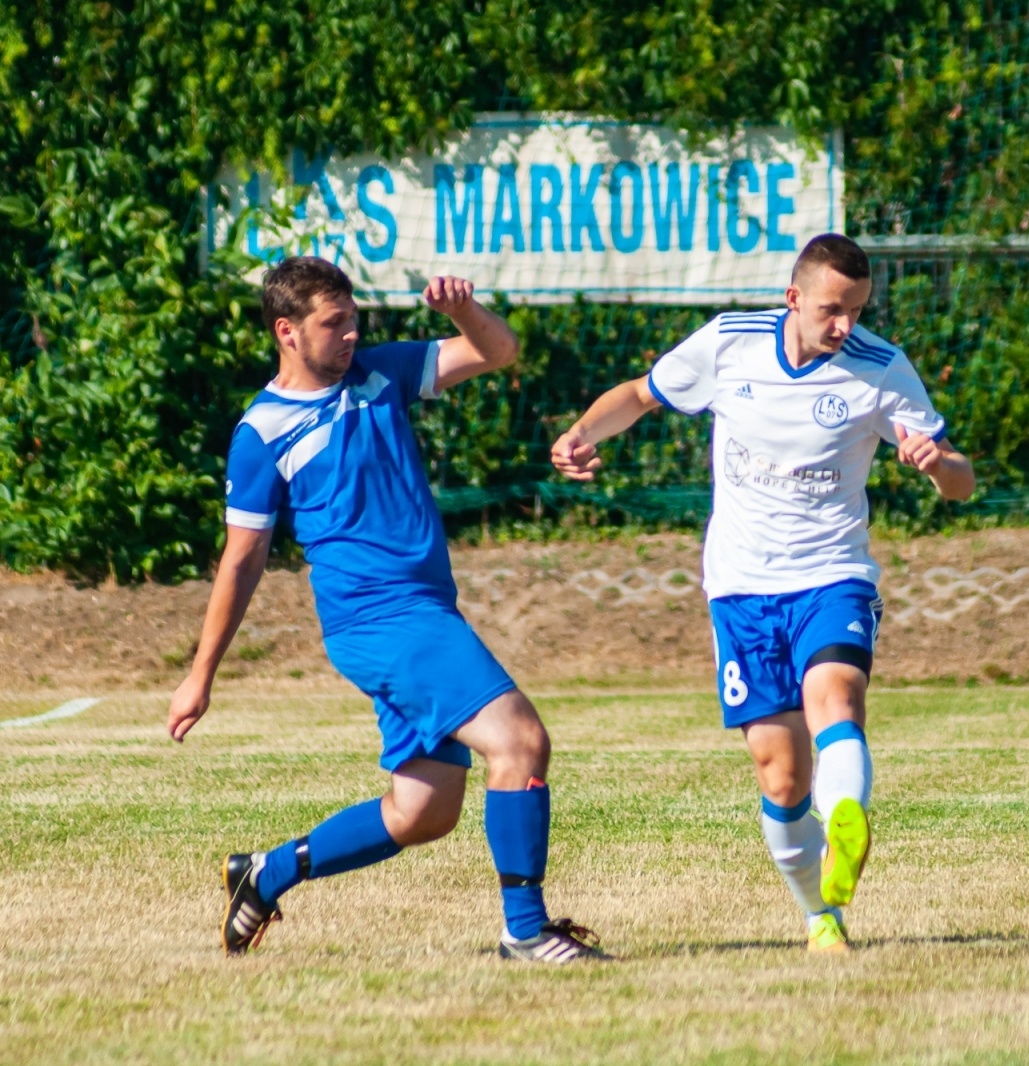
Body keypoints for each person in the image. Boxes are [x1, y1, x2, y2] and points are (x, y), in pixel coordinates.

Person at [167, 256, 602, 963]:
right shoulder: (262, 432)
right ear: (286, 332)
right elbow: (241, 560)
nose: (349, 334)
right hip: (379, 619)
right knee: (519, 743)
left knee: (422, 812)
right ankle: (525, 929)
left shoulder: (381, 372)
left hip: (423, 609)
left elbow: (500, 351)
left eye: (352, 319)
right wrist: (200, 674)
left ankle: (265, 873)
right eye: (332, 323)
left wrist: (463, 310)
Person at [550, 233, 975, 953]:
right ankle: (821, 913)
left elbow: (962, 484)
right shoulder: (730, 344)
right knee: (780, 776)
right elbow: (641, 396)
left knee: (836, 698)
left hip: (831, 575)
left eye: (858, 311)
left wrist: (937, 464)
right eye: (833, 311)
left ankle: (849, 824)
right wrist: (582, 434)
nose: (846, 326)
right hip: (742, 587)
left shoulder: (881, 369)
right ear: (794, 298)